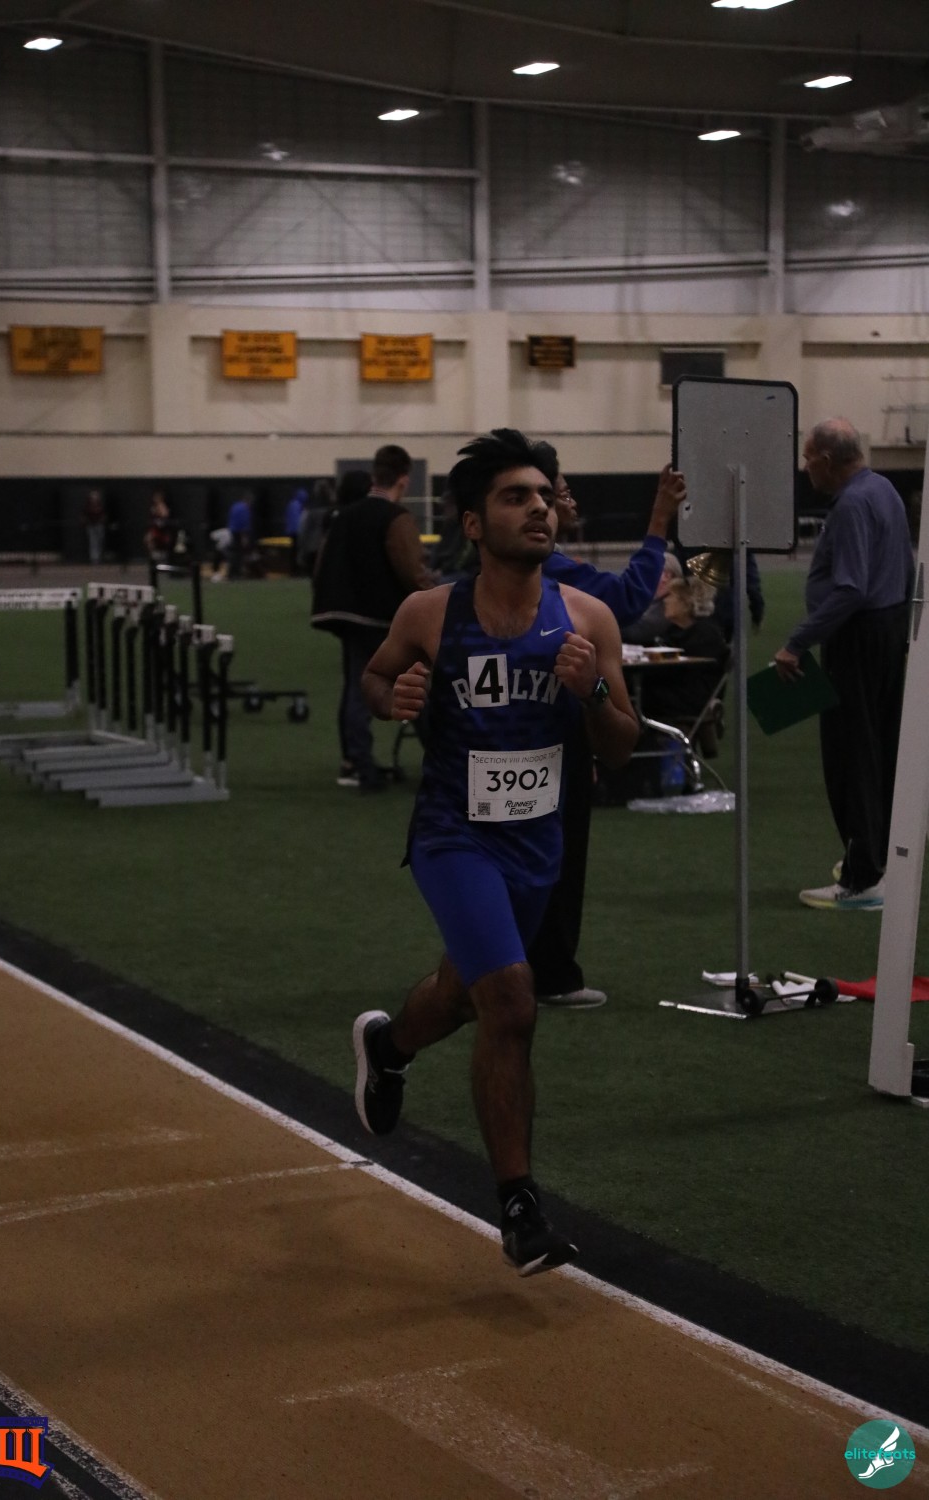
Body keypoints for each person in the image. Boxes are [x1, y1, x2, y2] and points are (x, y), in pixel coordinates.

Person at [353, 428, 638, 1275]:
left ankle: (389, 1049)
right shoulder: (429, 614)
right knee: (512, 1001)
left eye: (545, 495)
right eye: (517, 497)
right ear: (473, 523)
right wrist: (396, 697)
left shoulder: (587, 618)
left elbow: (621, 746)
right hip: (455, 835)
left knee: (465, 992)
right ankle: (520, 1208)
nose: (540, 508)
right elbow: (375, 677)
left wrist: (591, 691)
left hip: (538, 845)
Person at [525, 463, 687, 1008]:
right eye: (558, 494)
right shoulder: (561, 576)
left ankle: (495, 973)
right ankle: (549, 974)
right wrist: (659, 518)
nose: (566, 503)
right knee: (554, 856)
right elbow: (629, 596)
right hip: (554, 744)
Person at [774, 418, 914, 912]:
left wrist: (797, 642)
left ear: (827, 460)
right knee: (879, 751)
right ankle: (878, 858)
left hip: (856, 640)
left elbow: (850, 588)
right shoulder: (885, 490)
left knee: (850, 759)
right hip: (889, 631)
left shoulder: (852, 504)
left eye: (808, 457)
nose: (805, 466)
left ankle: (862, 879)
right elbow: (905, 567)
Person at [311, 446, 431, 791]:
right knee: (419, 687)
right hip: (383, 617)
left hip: (346, 616)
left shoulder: (344, 515)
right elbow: (411, 571)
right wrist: (438, 599)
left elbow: (321, 565)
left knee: (356, 690)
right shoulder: (395, 517)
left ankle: (358, 764)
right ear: (404, 479)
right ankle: (443, 760)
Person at [638, 576, 727, 724]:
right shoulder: (676, 631)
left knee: (633, 694)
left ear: (686, 603)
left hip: (689, 700)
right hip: (676, 693)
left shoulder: (705, 635)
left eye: (671, 596)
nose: (665, 601)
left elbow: (683, 673)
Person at [297, 479, 334, 576]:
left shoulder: (311, 510)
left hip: (313, 547)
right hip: (330, 547)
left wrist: (302, 549)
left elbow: (305, 531)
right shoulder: (334, 508)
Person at [225, 491, 253, 580]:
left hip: (232, 532)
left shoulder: (235, 506)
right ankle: (237, 573)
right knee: (239, 555)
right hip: (239, 533)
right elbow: (244, 522)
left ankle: (231, 573)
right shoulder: (244, 509)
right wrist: (244, 537)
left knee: (234, 554)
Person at [144, 490, 175, 563]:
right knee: (148, 539)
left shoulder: (163, 507)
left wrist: (160, 512)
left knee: (160, 542)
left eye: (157, 497)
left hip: (162, 531)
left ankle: (163, 559)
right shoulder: (154, 507)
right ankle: (153, 558)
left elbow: (165, 516)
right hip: (155, 529)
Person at [82, 487, 106, 565]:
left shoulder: (100, 505)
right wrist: (86, 522)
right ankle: (94, 559)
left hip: (99, 525)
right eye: (93, 496)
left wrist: (102, 520)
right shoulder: (87, 506)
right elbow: (84, 515)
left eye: (96, 496)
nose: (94, 497)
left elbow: (103, 515)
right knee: (93, 542)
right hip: (91, 526)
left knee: (99, 541)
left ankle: (99, 557)